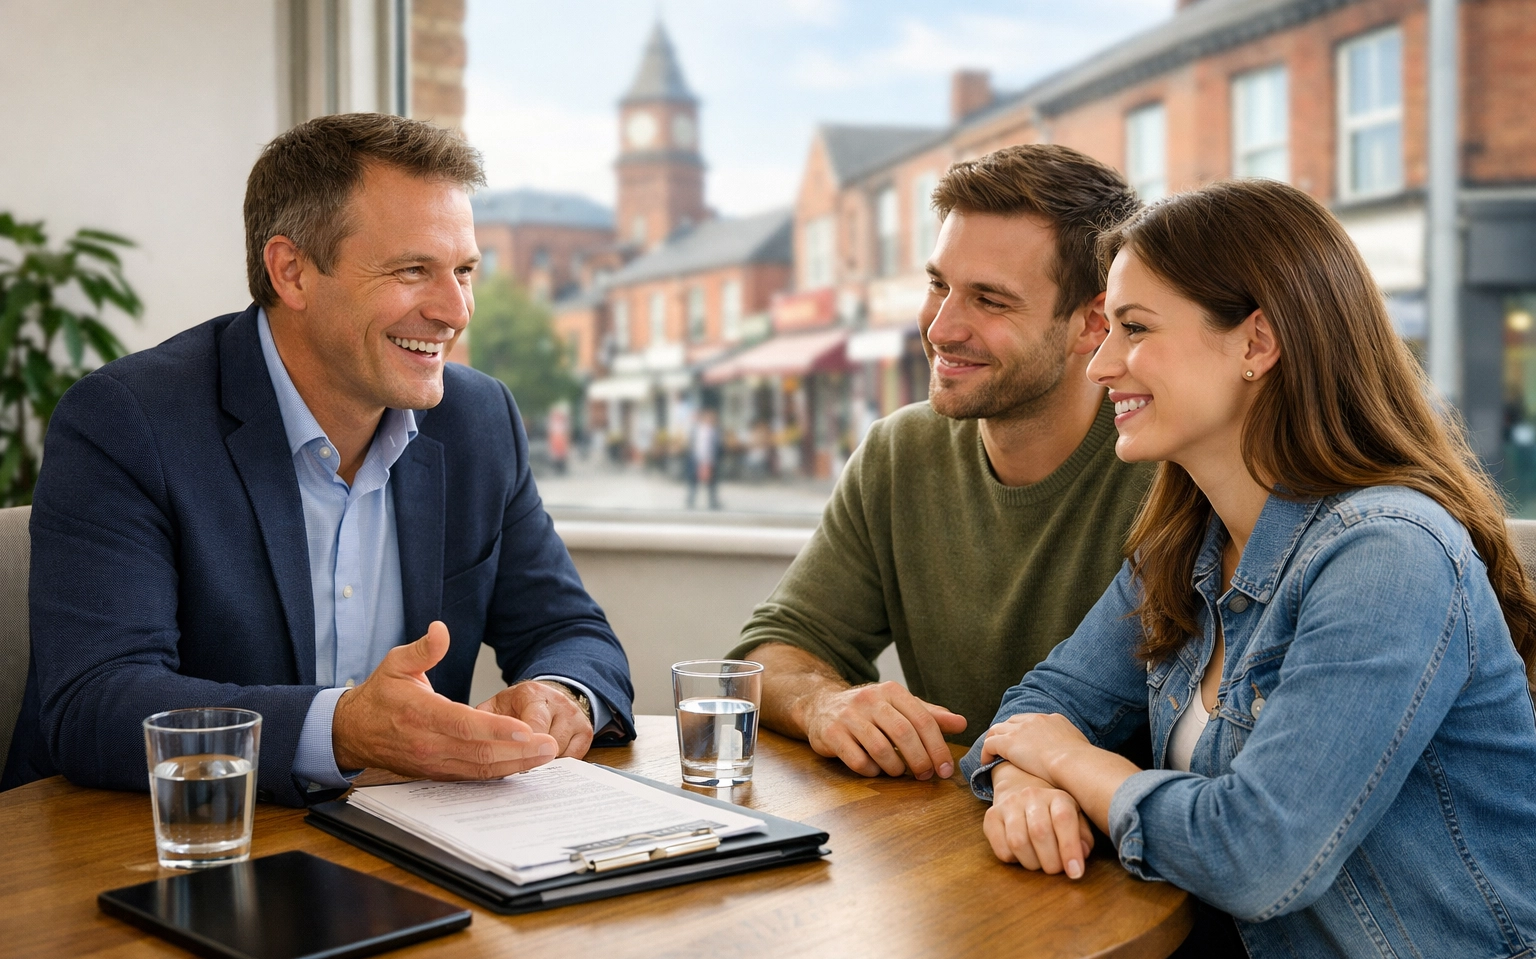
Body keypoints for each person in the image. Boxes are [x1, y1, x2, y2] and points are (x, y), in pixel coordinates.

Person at [964, 179, 1536, 959]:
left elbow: (1258, 854)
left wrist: (1077, 766)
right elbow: (1040, 709)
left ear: (1256, 342)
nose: (1100, 364)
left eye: (1135, 328)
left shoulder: (1386, 553)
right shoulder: (1184, 543)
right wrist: (1021, 784)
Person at [1, 114, 635, 808]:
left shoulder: (479, 420)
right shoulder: (127, 422)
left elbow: (571, 632)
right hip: (159, 846)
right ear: (292, 271)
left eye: (463, 271)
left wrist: (559, 694)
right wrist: (342, 730)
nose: (455, 311)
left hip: (405, 845)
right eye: (412, 270)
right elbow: (97, 703)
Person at [728, 144, 1153, 780]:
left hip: (1116, 855)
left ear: (1094, 323)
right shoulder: (898, 454)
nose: (941, 326)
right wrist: (826, 704)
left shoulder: (1168, 470)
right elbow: (765, 658)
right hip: (954, 840)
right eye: (938, 285)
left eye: (990, 300)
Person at [686, 405, 722, 510]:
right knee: (695, 481)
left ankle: (712, 501)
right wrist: (704, 460)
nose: (713, 420)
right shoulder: (702, 430)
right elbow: (701, 447)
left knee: (711, 482)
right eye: (710, 417)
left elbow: (715, 446)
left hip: (709, 460)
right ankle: (691, 500)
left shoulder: (714, 431)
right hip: (701, 459)